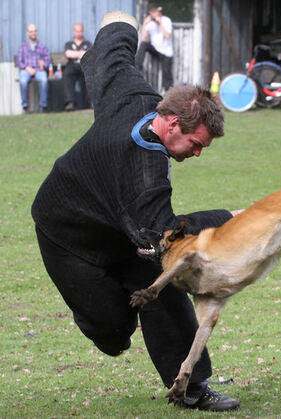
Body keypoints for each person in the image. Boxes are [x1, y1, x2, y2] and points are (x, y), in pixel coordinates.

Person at [31, 11, 240, 412]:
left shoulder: (138, 98)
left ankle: (191, 386)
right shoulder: (143, 174)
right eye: (196, 144)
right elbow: (166, 235)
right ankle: (100, 319)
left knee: (162, 283)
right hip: (69, 236)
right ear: (174, 124)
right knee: (115, 332)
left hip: (122, 228)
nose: (197, 154)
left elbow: (113, 52)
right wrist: (230, 216)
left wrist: (122, 19)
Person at [136, 6, 173, 92]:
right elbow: (144, 39)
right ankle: (137, 66)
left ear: (160, 14)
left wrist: (160, 23)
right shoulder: (150, 23)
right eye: (153, 15)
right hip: (156, 51)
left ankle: (166, 90)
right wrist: (145, 24)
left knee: (166, 73)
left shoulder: (166, 20)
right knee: (144, 44)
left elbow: (168, 36)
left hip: (166, 52)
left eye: (157, 14)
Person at [16, 24, 51, 113]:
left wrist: (43, 65)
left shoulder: (42, 46)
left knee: (44, 80)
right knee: (23, 81)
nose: (33, 33)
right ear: (27, 32)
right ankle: (25, 107)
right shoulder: (22, 46)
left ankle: (44, 107)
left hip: (39, 70)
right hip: (26, 69)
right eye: (31, 31)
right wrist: (26, 68)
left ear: (37, 32)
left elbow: (48, 60)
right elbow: (19, 61)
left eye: (34, 31)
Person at [63, 23, 92, 111]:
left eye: (80, 31)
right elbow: (68, 54)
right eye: (77, 31)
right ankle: (70, 102)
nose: (78, 33)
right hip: (72, 66)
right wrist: (81, 53)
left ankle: (92, 102)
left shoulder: (88, 43)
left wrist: (75, 53)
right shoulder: (69, 43)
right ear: (74, 31)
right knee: (67, 75)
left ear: (82, 31)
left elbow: (90, 54)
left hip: (85, 65)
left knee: (92, 75)